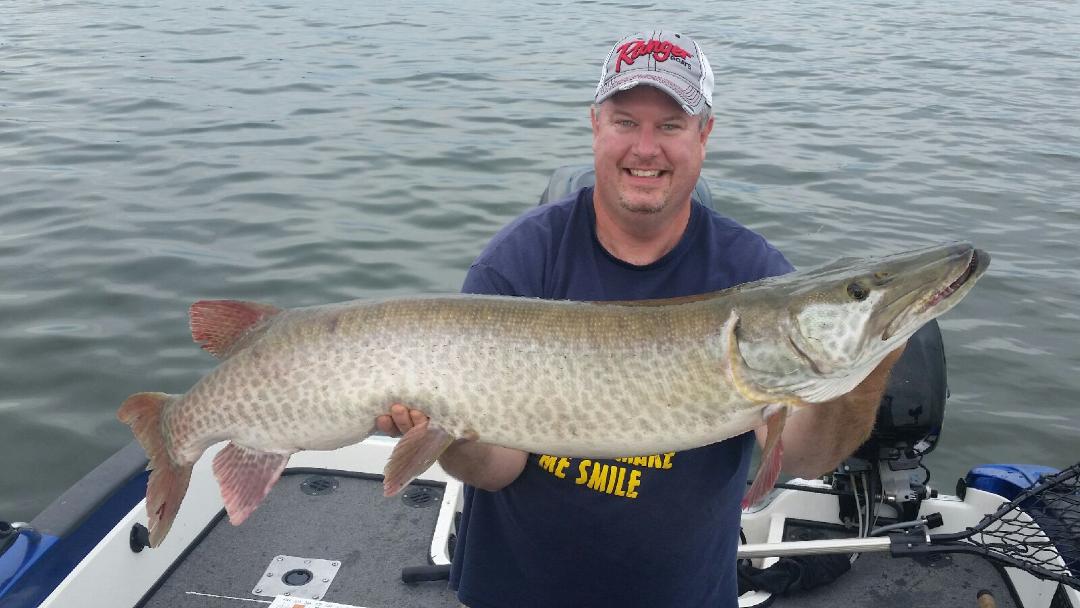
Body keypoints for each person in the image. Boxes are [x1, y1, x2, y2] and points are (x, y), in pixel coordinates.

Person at [375, 30, 905, 608]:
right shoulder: (521, 260)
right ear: (596, 125)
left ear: (704, 134)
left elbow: (804, 458)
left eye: (671, 125)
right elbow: (498, 469)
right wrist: (444, 430)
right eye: (626, 121)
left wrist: (868, 363)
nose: (645, 148)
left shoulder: (752, 275)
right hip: (518, 590)